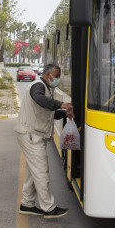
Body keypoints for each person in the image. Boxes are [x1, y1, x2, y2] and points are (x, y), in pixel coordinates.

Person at [15, 64, 74, 219]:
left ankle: (27, 204)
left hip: (33, 134)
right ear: (49, 74)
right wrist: (61, 104)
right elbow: (40, 100)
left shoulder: (46, 88)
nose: (58, 78)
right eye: (57, 75)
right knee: (41, 171)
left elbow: (48, 113)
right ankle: (48, 208)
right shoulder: (38, 87)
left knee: (32, 172)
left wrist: (64, 113)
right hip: (30, 134)